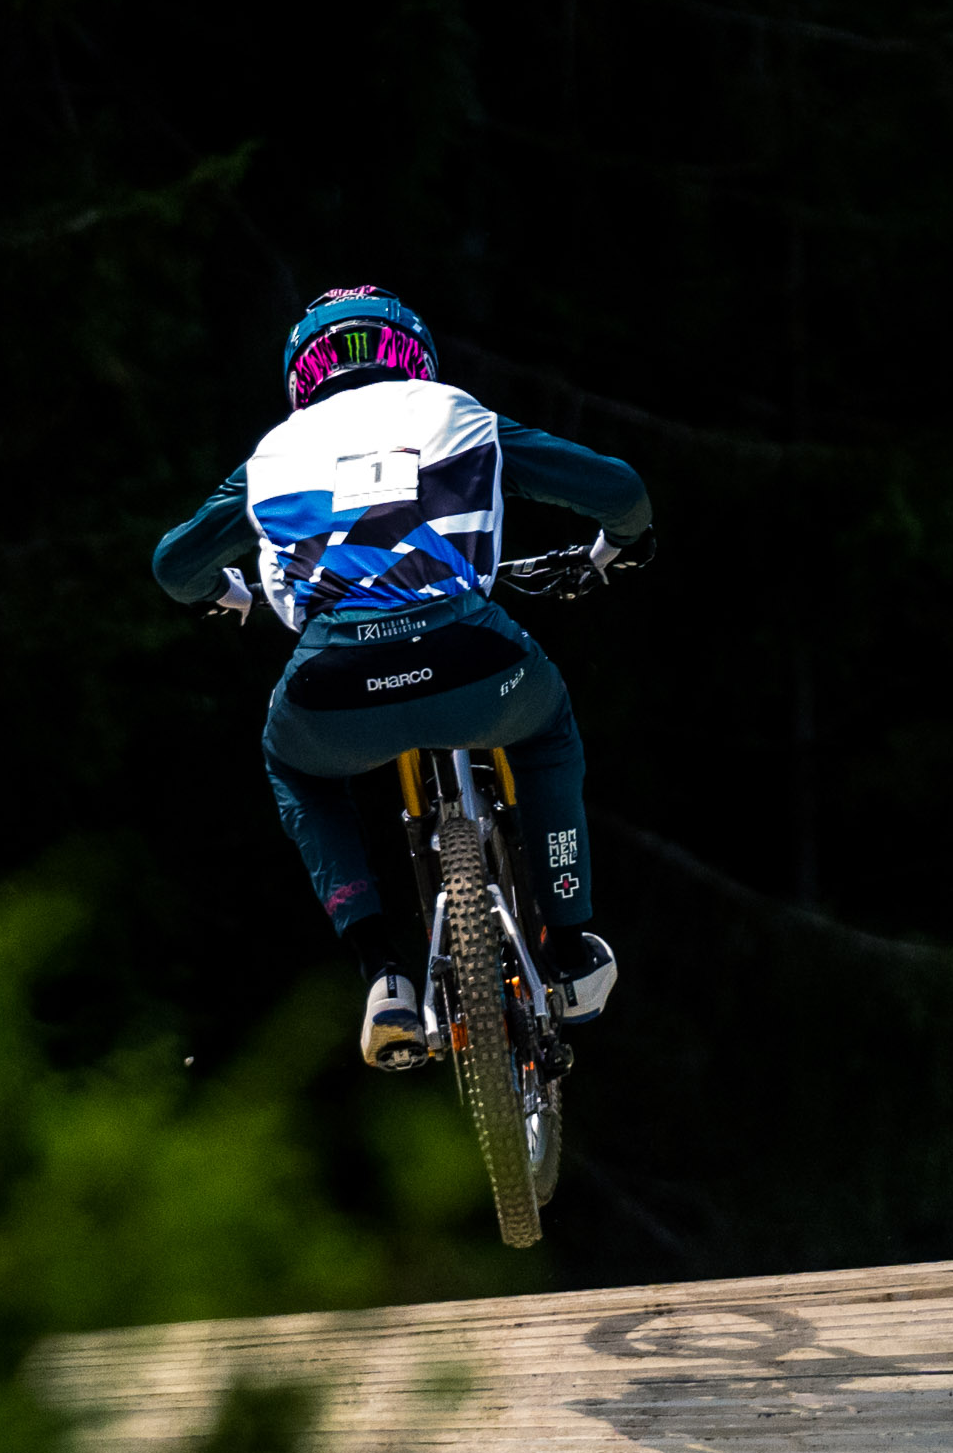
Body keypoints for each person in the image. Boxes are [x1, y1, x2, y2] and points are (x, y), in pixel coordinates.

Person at [150, 287, 656, 1070]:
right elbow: (618, 490)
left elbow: (174, 564)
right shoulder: (457, 414)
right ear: (413, 354)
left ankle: (383, 971)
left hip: (335, 691)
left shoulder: (271, 456)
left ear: (301, 377)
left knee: (297, 771)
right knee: (546, 734)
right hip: (471, 661)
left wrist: (230, 594)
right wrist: (615, 546)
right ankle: (570, 944)